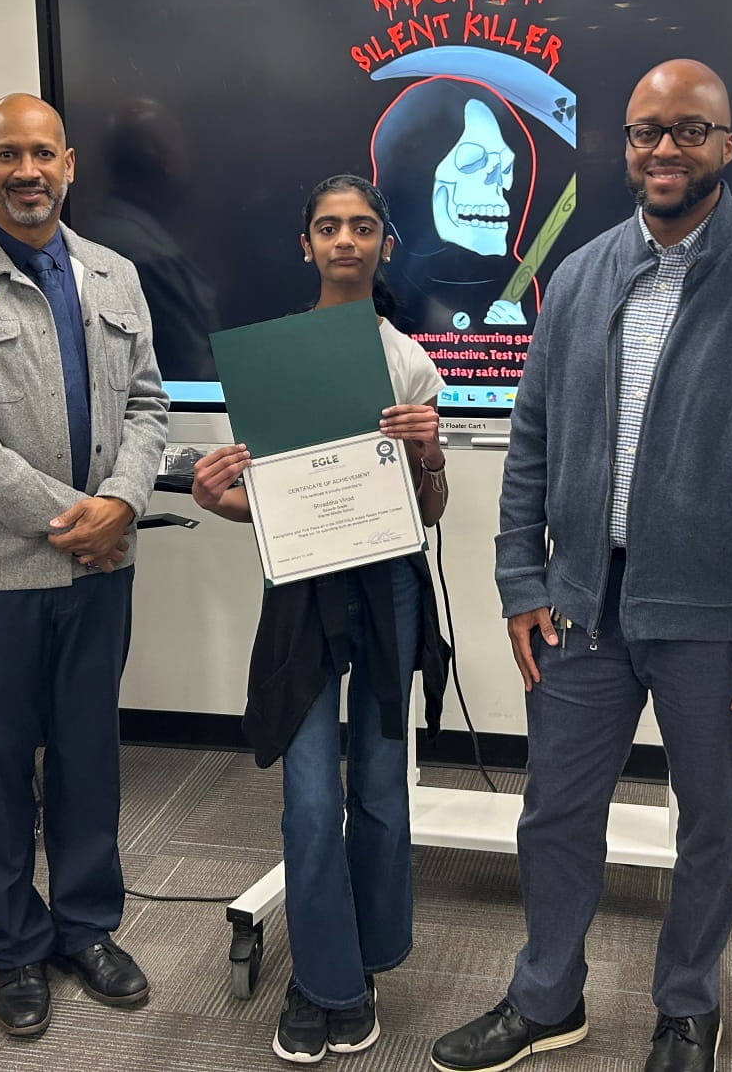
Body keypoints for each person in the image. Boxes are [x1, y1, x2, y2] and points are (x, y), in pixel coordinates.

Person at [432, 59, 732, 1072]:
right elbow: (531, 445)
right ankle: (546, 999)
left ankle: (686, 1011)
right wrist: (520, 581)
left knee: (707, 824)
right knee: (554, 813)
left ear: (726, 146)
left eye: (687, 130)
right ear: (624, 147)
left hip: (714, 619)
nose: (663, 148)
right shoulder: (581, 278)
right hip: (583, 606)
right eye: (644, 131)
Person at [0, 93, 168, 1038]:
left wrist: (121, 502)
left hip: (101, 569)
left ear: (69, 164)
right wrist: (72, 518)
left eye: (42, 154)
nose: (26, 172)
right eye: (7, 155)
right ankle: (15, 945)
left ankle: (86, 928)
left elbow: (148, 407)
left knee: (89, 758)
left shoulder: (116, 275)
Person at [189, 174, 453, 1065]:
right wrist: (215, 497)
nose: (346, 240)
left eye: (363, 227)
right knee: (309, 797)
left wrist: (430, 455)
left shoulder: (409, 361)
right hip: (303, 594)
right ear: (305, 244)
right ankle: (321, 981)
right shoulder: (269, 360)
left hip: (388, 591)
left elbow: (430, 510)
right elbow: (268, 507)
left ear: (385, 245)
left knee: (378, 788)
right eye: (329, 227)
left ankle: (366, 962)